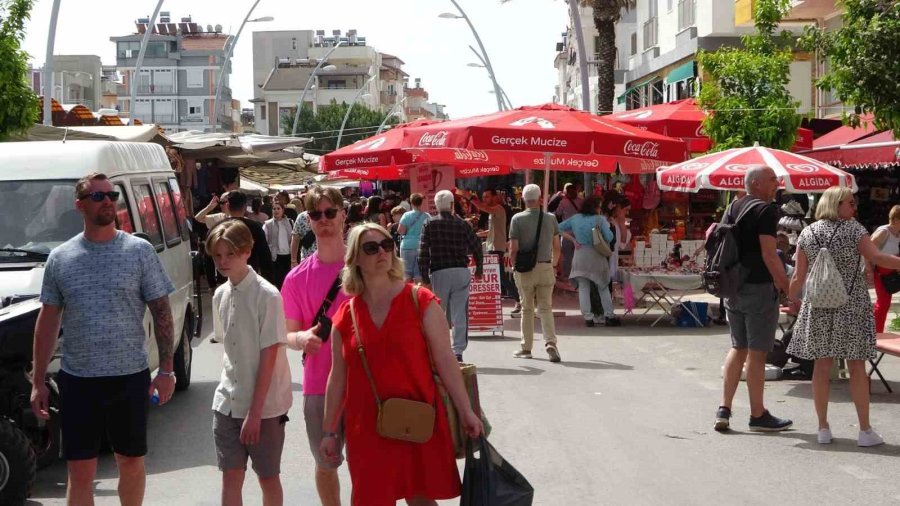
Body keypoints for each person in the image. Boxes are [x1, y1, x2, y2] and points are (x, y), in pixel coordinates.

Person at [30, 172, 176, 505]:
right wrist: (38, 381)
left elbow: (162, 311)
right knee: (80, 471)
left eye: (112, 195)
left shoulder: (138, 251)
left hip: (129, 377)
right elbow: (48, 320)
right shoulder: (61, 258)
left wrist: (166, 370)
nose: (108, 201)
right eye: (98, 196)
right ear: (79, 205)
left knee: (131, 462)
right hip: (79, 380)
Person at [320, 223, 484, 506]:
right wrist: (329, 431)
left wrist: (467, 411)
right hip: (367, 427)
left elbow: (446, 362)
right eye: (371, 248)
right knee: (372, 498)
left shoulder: (420, 301)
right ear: (356, 258)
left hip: (417, 419)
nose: (381, 252)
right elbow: (337, 379)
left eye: (386, 245)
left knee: (420, 498)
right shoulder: (346, 316)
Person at [787, 187, 900, 446]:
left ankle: (823, 428)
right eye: (850, 202)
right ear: (837, 204)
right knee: (857, 366)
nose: (854, 207)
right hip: (851, 305)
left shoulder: (808, 232)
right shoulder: (854, 229)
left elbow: (797, 277)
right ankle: (864, 430)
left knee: (821, 365)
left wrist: (792, 298)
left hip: (817, 305)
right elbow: (877, 257)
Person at [208, 220, 293, 505]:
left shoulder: (267, 296)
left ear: (246, 251)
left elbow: (269, 357)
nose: (223, 261)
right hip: (226, 403)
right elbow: (229, 352)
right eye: (217, 255)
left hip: (265, 408)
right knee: (230, 477)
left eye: (229, 254)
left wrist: (255, 413)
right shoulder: (220, 294)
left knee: (267, 477)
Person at [281, 186, 348, 506]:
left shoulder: (368, 264)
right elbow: (287, 335)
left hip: (367, 382)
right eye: (316, 214)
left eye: (330, 212)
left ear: (343, 215)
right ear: (308, 220)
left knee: (371, 465)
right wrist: (302, 338)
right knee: (326, 463)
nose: (324, 220)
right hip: (319, 385)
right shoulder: (296, 278)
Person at [715, 166, 793, 433]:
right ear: (757, 184)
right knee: (757, 354)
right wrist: (787, 287)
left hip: (732, 286)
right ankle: (758, 414)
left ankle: (724, 408)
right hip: (758, 288)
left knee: (738, 347)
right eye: (772, 180)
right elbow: (769, 255)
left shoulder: (733, 207)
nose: (777, 184)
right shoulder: (765, 211)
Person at [419, 190, 484, 362]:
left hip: (439, 272)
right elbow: (477, 246)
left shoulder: (429, 224)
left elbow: (423, 252)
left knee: (438, 313)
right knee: (459, 312)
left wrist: (424, 277)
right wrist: (479, 267)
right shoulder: (463, 224)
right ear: (452, 205)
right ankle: (457, 351)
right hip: (460, 271)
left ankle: (438, 349)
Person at [509, 184, 562, 362]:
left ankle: (526, 348)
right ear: (541, 199)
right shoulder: (550, 218)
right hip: (546, 267)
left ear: (523, 199)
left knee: (527, 309)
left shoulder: (517, 219)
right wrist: (553, 264)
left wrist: (514, 266)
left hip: (525, 270)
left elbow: (513, 248)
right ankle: (550, 342)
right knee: (546, 308)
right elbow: (557, 246)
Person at [558, 195, 619, 327]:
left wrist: (574, 240)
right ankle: (609, 315)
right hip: (596, 256)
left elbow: (557, 228)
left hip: (580, 255)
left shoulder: (575, 218)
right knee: (602, 286)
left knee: (583, 288)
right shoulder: (600, 219)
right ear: (596, 207)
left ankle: (588, 318)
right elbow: (609, 237)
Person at [473, 189, 517, 303]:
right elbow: (491, 231)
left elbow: (483, 207)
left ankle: (520, 299)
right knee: (497, 276)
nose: (484, 199)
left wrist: (470, 198)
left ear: (495, 197)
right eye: (483, 197)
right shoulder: (492, 212)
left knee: (501, 277)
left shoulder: (498, 209)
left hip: (497, 248)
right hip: (492, 247)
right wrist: (476, 234)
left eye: (487, 197)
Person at [224, 191, 274, 286]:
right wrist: (269, 281)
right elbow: (265, 256)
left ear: (227, 205)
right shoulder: (254, 227)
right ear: (245, 207)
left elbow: (209, 256)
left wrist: (212, 284)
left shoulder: (219, 228)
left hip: (225, 279)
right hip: (249, 278)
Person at [870, 205, 900, 333]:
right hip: (882, 271)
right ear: (896, 220)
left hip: (892, 270)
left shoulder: (897, 233)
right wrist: (868, 270)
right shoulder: (884, 231)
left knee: (884, 303)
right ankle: (876, 333)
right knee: (883, 303)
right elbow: (868, 250)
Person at [554, 183, 583, 286]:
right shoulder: (581, 201)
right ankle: (577, 276)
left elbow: (558, 213)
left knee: (567, 256)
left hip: (566, 233)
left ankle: (567, 276)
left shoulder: (563, 202)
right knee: (578, 256)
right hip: (579, 233)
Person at [397, 193, 429, 283]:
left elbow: (401, 231)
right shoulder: (426, 216)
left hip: (407, 246)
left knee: (406, 273)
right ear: (421, 203)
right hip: (421, 246)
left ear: (411, 203)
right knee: (419, 273)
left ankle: (407, 295)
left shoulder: (406, 215)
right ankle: (417, 295)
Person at [263, 202, 294, 289]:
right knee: (279, 281)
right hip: (276, 257)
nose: (276, 210)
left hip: (288, 256)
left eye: (278, 208)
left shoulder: (290, 222)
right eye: (274, 209)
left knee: (288, 279)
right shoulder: (267, 224)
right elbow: (264, 240)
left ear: (283, 210)